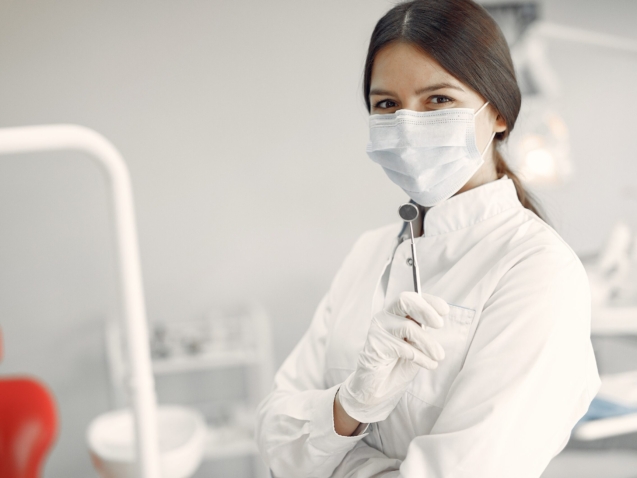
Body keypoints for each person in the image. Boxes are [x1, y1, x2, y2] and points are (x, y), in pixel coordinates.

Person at [255, 1, 601, 476]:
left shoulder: (539, 270)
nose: (406, 124)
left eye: (438, 99)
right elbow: (274, 437)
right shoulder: (369, 252)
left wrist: (334, 463)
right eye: (386, 104)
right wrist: (350, 406)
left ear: (498, 111)